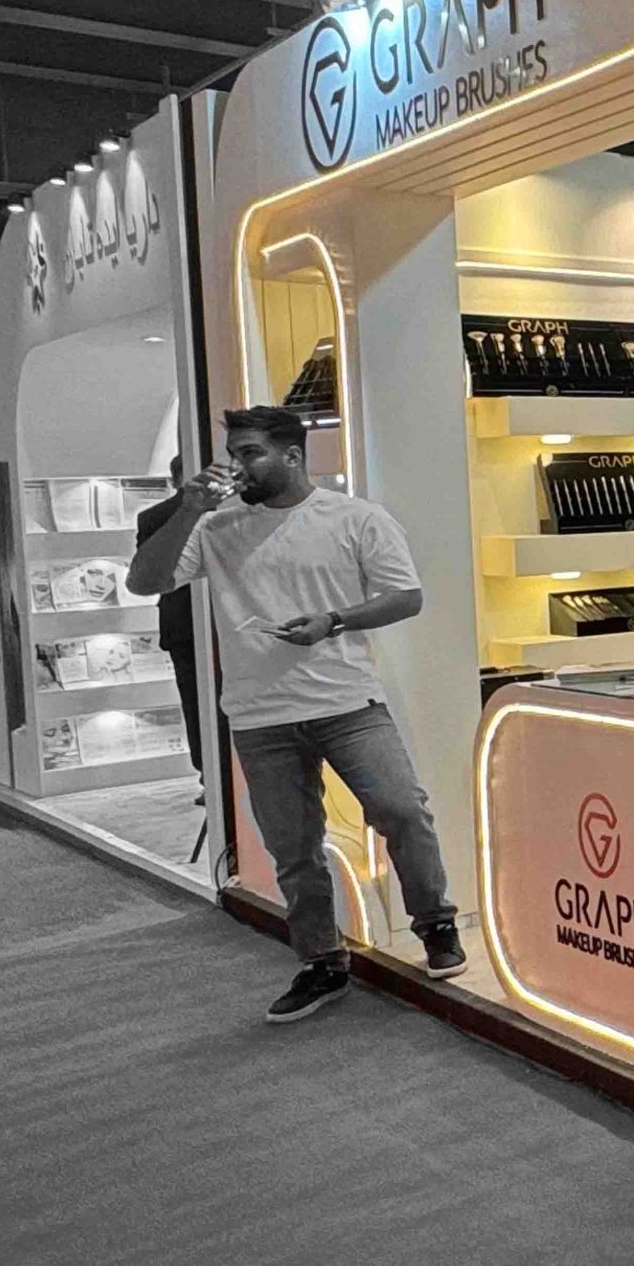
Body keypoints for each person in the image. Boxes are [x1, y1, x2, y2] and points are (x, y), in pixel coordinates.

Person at [127, 405, 463, 1022]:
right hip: (258, 715)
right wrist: (189, 509)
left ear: (292, 456)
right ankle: (321, 961)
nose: (238, 466)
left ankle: (435, 922)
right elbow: (145, 582)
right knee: (294, 847)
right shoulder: (215, 525)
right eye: (234, 454)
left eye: (251, 453)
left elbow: (405, 595)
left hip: (347, 702)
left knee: (401, 810)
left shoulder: (355, 518)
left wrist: (334, 621)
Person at [135, 458, 203, 775]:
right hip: (190, 622)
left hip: (180, 623)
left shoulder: (152, 516)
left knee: (193, 703)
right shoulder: (160, 516)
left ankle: (206, 775)